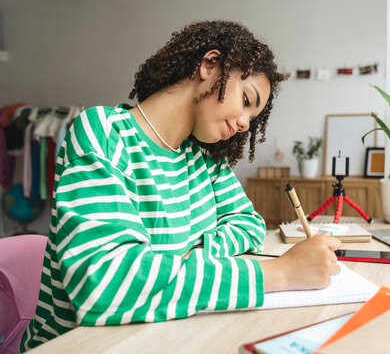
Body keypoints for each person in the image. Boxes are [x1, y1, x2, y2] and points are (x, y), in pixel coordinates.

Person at [20, 20, 341, 352]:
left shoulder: (202, 158)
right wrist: (281, 273)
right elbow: (106, 284)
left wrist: (192, 255)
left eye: (254, 116)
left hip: (164, 337)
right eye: (246, 100)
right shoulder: (103, 132)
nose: (246, 123)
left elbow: (248, 223)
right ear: (209, 65)